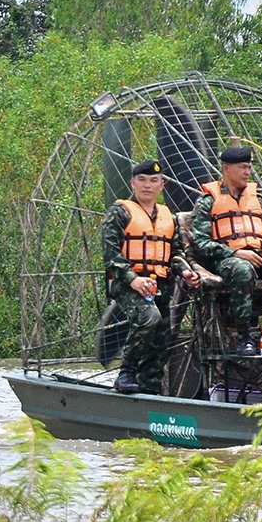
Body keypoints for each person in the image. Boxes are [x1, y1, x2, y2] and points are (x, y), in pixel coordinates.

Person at [191, 145, 262, 355]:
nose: (248, 172)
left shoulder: (259, 201)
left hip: (261, 257)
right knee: (242, 270)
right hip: (227, 260)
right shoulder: (208, 202)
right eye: (242, 168)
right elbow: (201, 243)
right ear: (226, 169)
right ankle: (244, 337)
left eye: (249, 167)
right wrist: (235, 253)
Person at [100, 159, 201, 394]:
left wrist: (185, 271)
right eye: (142, 180)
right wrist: (133, 279)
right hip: (128, 283)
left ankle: (150, 388)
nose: (148, 185)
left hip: (160, 285)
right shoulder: (120, 212)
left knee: (162, 337)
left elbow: (174, 252)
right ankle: (126, 373)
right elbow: (111, 255)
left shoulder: (168, 217)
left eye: (154, 181)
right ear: (133, 183)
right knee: (148, 318)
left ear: (161, 185)